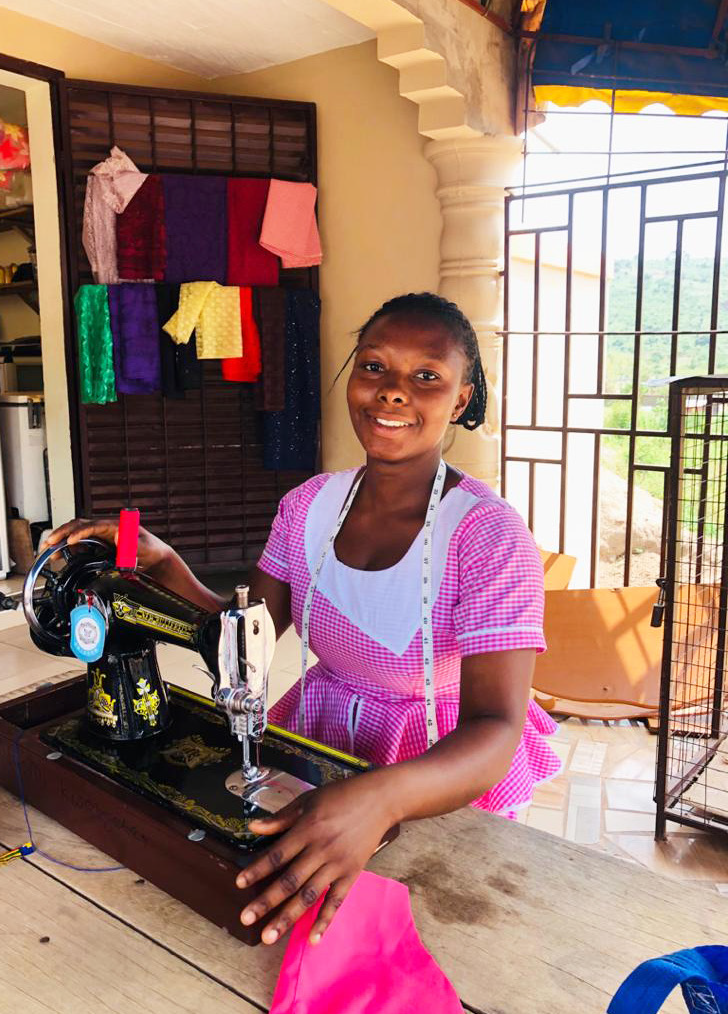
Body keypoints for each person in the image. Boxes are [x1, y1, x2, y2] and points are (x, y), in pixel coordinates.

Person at [46, 292, 561, 947]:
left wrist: (382, 798)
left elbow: (496, 729)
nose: (394, 393)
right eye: (374, 367)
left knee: (430, 941)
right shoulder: (309, 507)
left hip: (439, 775)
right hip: (321, 745)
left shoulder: (486, 537)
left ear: (460, 400)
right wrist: (167, 564)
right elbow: (247, 637)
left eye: (426, 376)